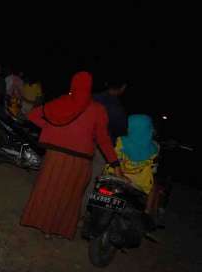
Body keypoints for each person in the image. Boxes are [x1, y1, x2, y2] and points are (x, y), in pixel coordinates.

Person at [21, 71, 122, 240]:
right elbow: (104, 140)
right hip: (79, 162)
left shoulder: (61, 102)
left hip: (54, 157)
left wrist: (49, 127)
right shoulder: (97, 110)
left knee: (48, 190)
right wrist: (115, 164)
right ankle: (57, 229)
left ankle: (43, 226)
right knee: (69, 196)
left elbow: (32, 115)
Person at [81, 77, 128, 215]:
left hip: (83, 143)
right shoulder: (118, 109)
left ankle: (66, 209)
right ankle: (79, 214)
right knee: (90, 182)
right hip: (102, 150)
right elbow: (120, 132)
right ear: (122, 88)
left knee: (76, 177)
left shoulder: (93, 98)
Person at [105, 114, 159, 211]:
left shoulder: (120, 141)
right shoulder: (154, 149)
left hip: (114, 175)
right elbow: (152, 169)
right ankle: (147, 214)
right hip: (139, 183)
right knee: (154, 187)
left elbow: (113, 157)